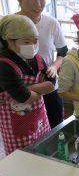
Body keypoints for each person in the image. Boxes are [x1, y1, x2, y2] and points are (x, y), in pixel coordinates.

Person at [0, 14, 55, 155]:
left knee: (44, 154)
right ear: (9, 42)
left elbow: (52, 84)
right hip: (17, 128)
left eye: (35, 41)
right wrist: (41, 88)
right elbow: (24, 97)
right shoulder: (4, 65)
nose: (32, 46)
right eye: (26, 42)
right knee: (23, 162)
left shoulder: (36, 58)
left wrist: (27, 89)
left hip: (40, 120)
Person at [15, 0, 68, 128]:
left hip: (49, 88)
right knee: (28, 134)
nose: (38, 4)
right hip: (22, 91)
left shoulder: (51, 23)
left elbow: (63, 52)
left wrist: (55, 67)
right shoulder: (10, 24)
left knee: (56, 129)